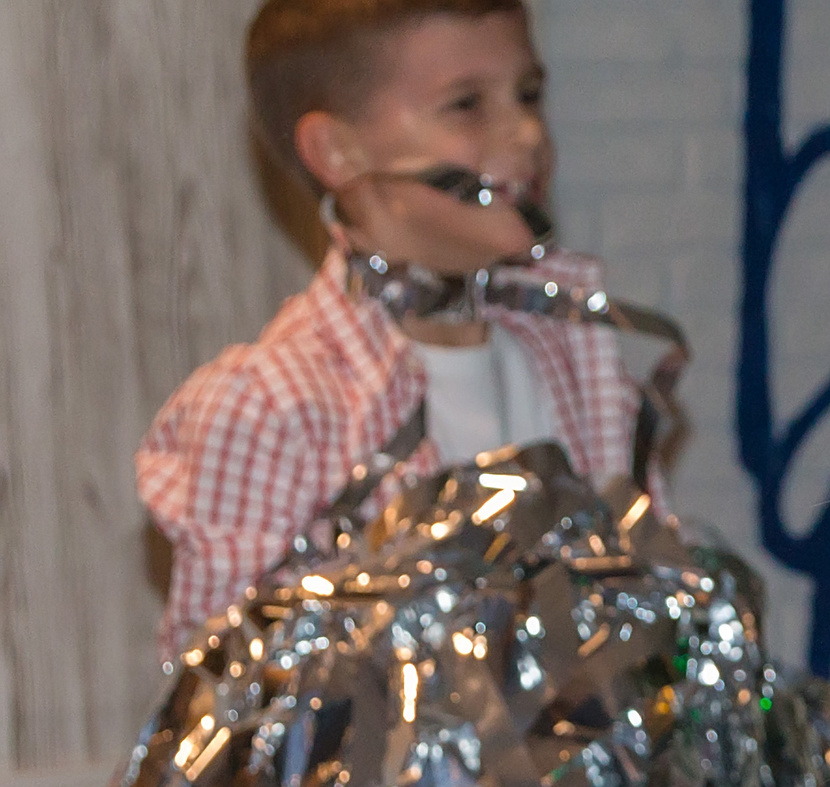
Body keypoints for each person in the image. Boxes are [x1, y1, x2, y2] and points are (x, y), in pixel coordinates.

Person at [137, 0, 638, 658]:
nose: (526, 133)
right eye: (466, 104)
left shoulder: (574, 352)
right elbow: (221, 706)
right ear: (336, 151)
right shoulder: (269, 407)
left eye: (528, 93)